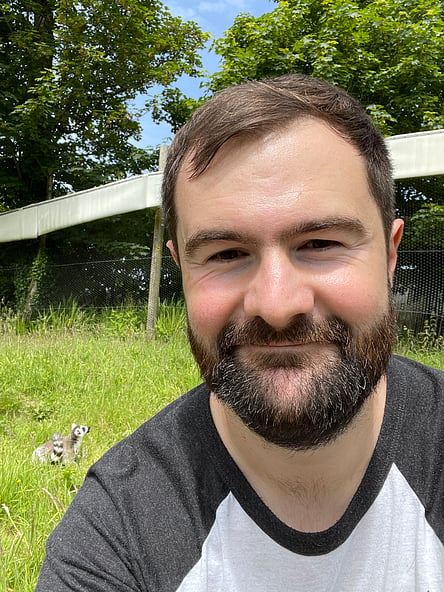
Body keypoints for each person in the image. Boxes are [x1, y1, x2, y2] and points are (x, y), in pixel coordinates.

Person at [35, 74, 444, 591]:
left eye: (320, 243)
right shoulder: (117, 536)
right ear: (180, 270)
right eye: (227, 254)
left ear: (389, 254)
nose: (275, 305)